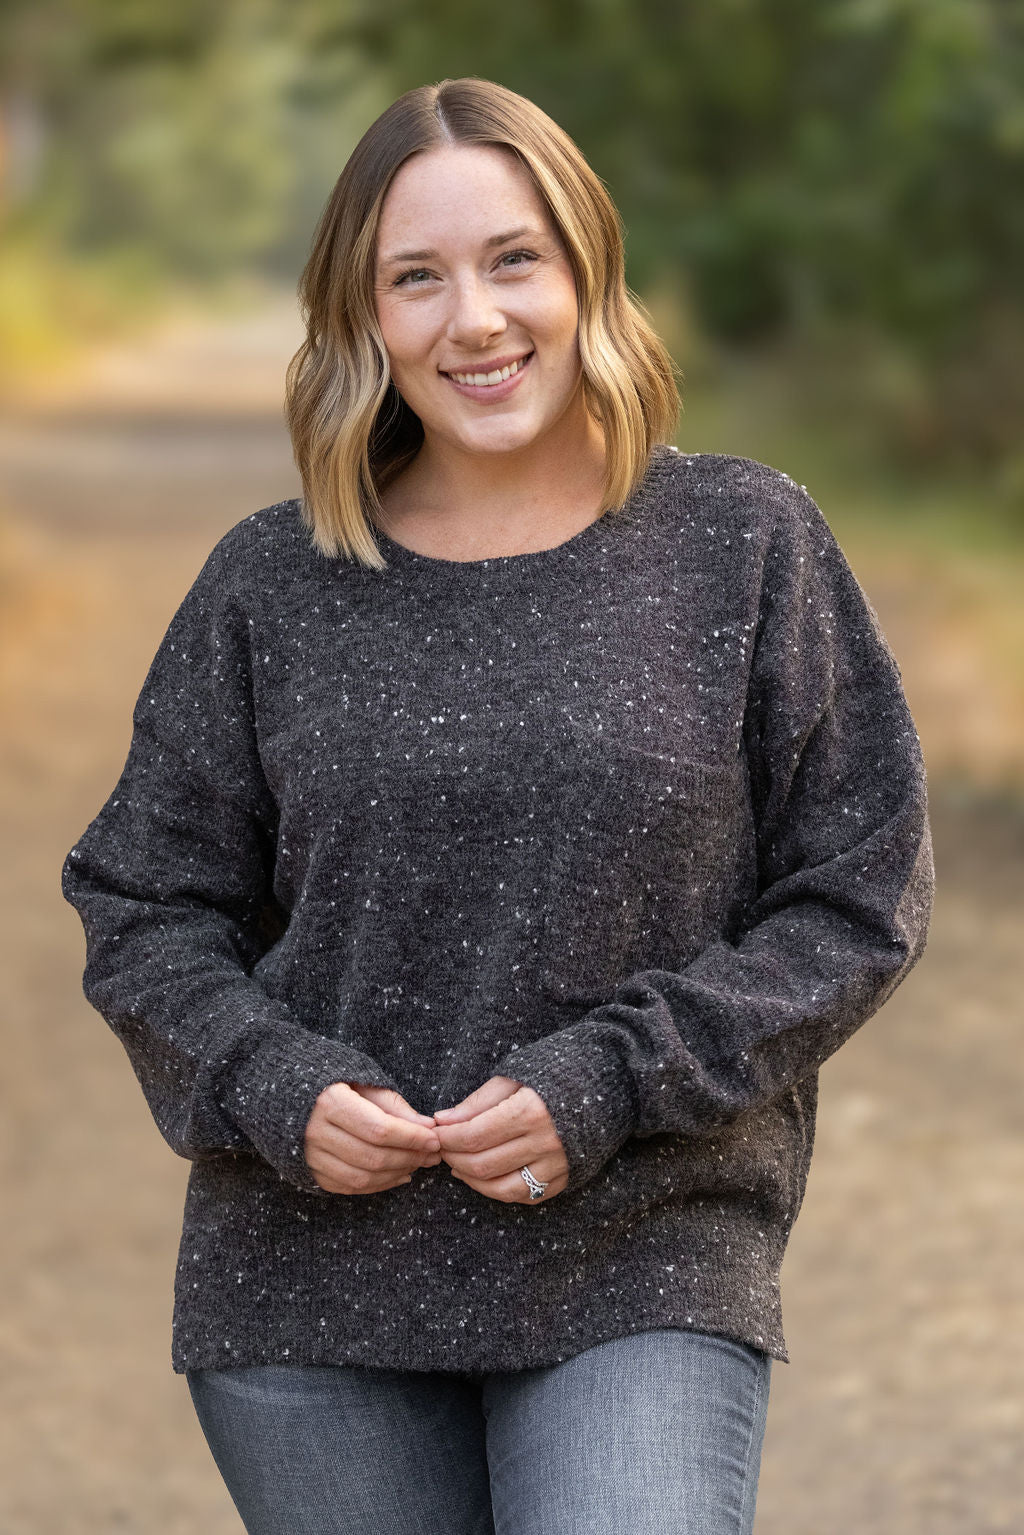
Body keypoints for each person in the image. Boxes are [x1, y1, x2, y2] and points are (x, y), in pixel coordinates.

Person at [60, 76, 935, 1535]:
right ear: (363, 318)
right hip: (310, 1286)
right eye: (418, 277)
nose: (474, 319)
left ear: (586, 265)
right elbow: (143, 901)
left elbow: (859, 893)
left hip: (641, 1252)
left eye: (513, 259)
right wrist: (277, 1083)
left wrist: (615, 1077)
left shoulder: (745, 544)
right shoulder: (272, 584)